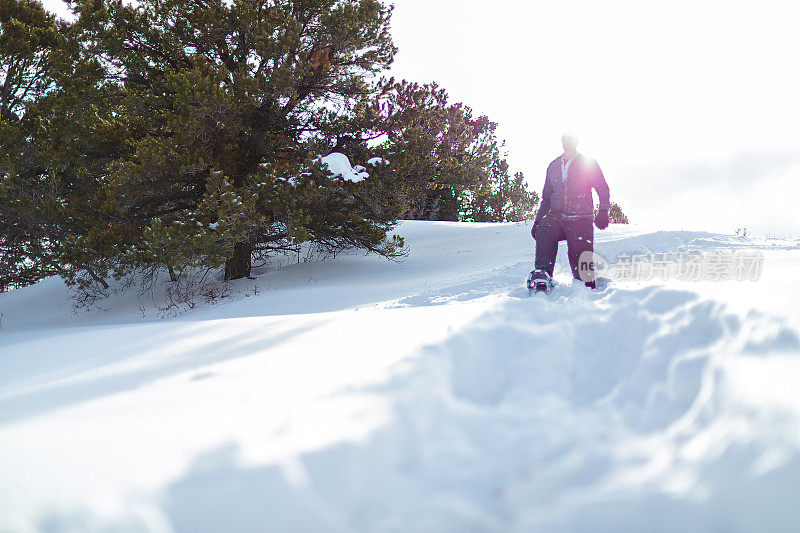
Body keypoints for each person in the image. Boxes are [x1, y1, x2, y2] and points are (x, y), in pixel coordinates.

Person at [530, 133, 610, 289]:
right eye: (566, 140)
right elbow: (546, 198)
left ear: (577, 142)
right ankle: (543, 277)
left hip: (581, 218)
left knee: (584, 277)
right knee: (545, 227)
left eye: (571, 140)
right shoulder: (553, 166)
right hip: (557, 216)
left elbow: (602, 188)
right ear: (562, 142)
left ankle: (587, 284)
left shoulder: (589, 163)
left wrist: (603, 210)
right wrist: (538, 220)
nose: (568, 143)